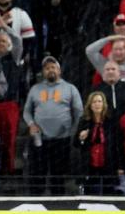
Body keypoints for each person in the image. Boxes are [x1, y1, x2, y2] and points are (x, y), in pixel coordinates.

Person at [22, 56, 82, 195]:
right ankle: (36, 202)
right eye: (47, 68)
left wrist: (73, 130)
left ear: (59, 70)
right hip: (40, 139)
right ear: (43, 72)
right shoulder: (35, 89)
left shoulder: (70, 88)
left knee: (58, 174)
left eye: (53, 67)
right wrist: (31, 124)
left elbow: (79, 111)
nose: (50, 70)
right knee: (37, 173)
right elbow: (26, 111)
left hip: (62, 139)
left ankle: (58, 203)